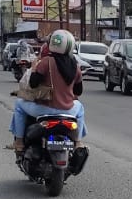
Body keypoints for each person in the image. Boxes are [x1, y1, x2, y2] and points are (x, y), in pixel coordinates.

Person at [11, 30, 87, 170]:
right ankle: (78, 142)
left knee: (19, 104)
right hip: (68, 111)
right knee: (80, 108)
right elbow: (78, 92)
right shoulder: (75, 66)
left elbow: (33, 83)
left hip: (44, 109)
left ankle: (19, 142)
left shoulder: (46, 62)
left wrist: (34, 69)